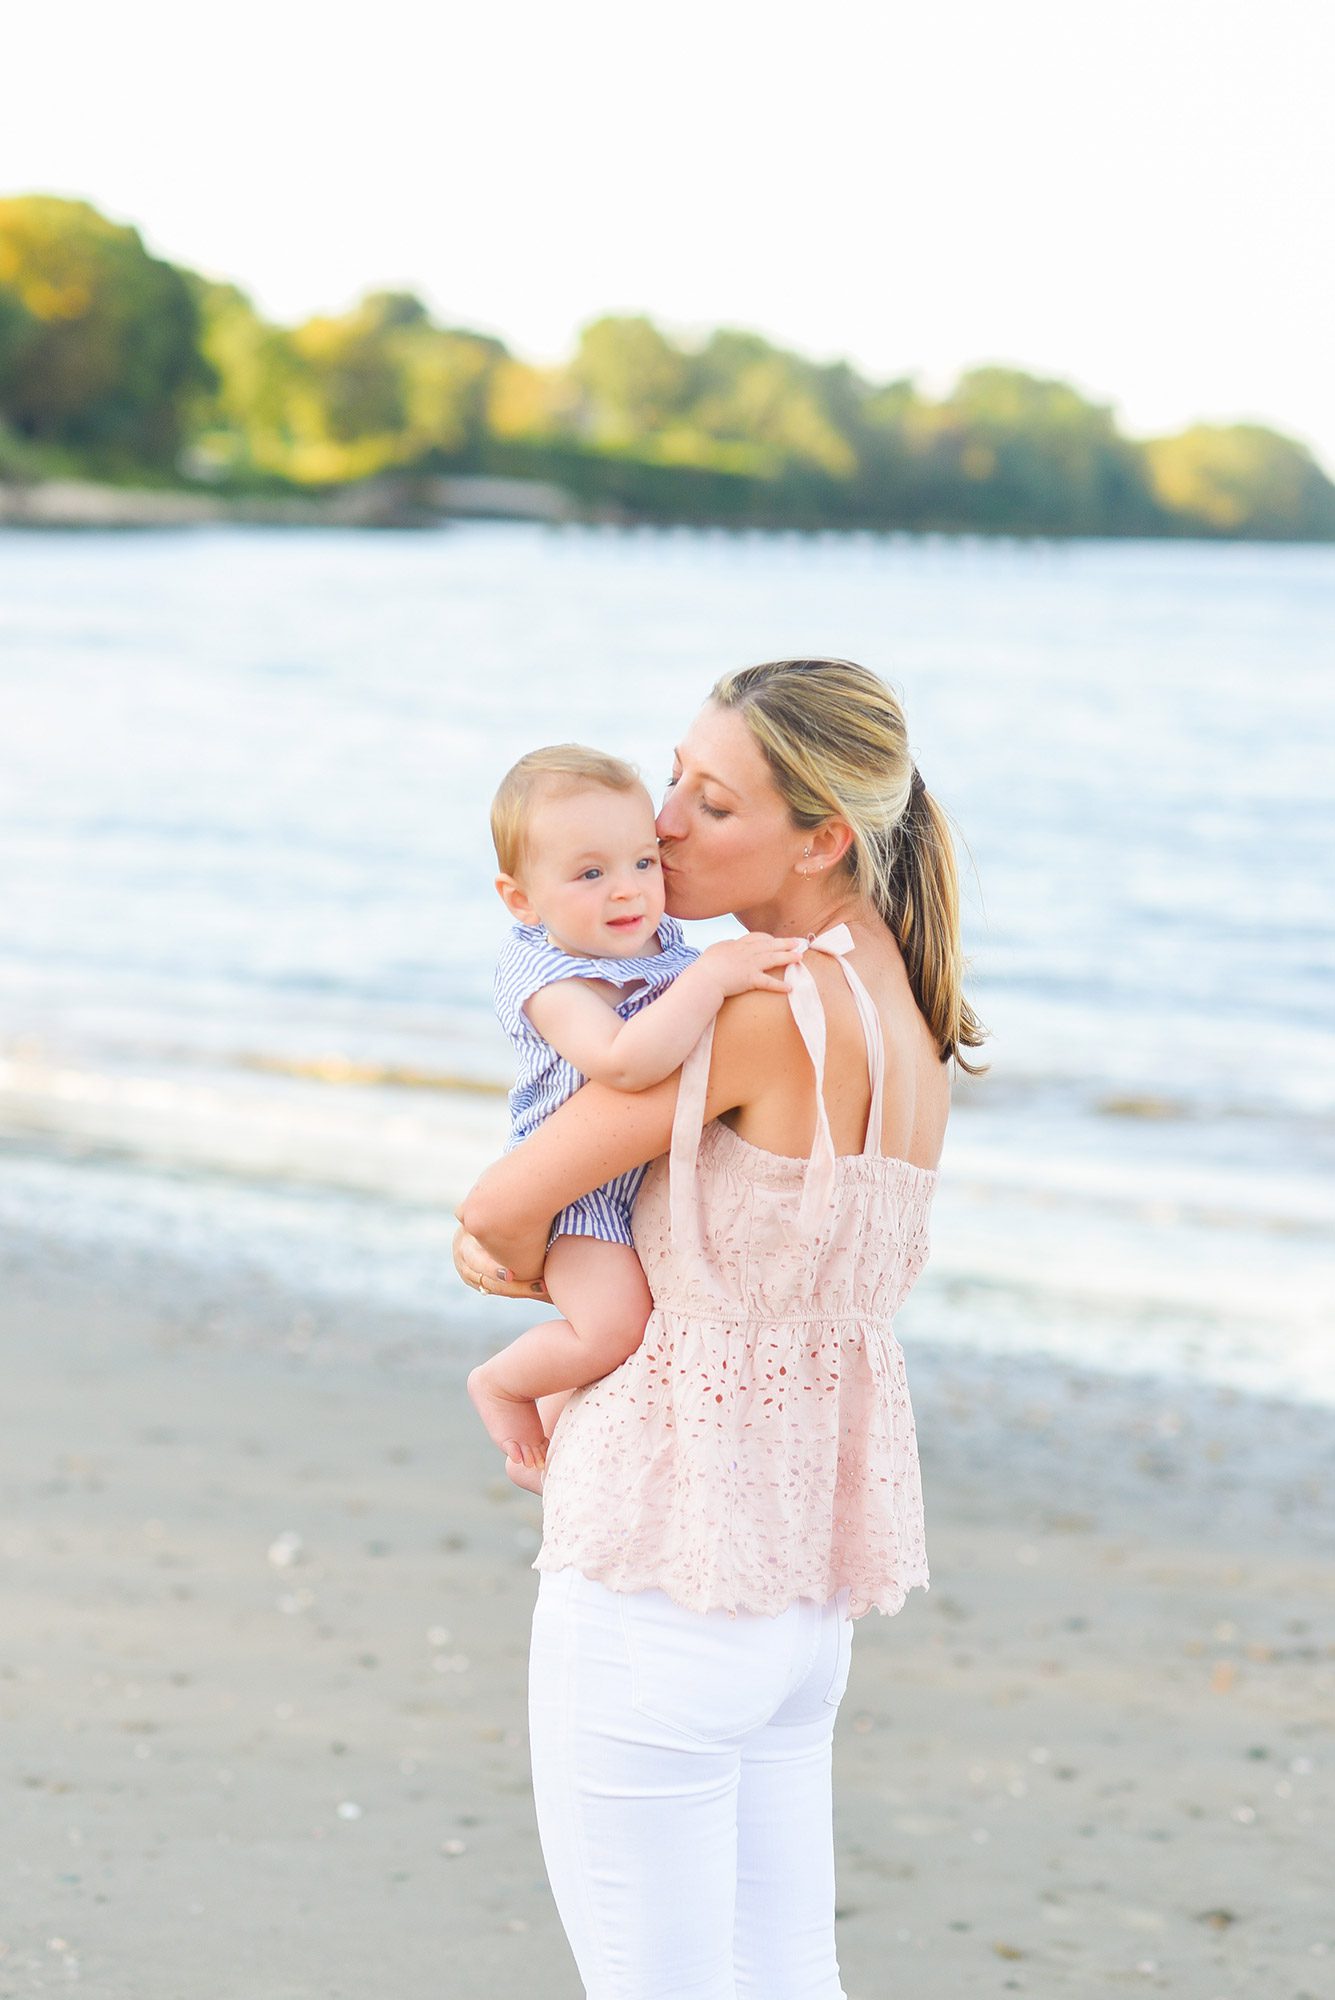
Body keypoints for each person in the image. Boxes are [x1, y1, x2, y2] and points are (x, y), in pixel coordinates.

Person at [455, 659, 989, 2000]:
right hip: (797, 1594)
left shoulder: (752, 1012)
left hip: (663, 1558)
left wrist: (552, 1290)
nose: (666, 825)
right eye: (673, 780)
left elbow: (496, 1210)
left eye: (710, 798)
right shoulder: (908, 1009)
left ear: (820, 836)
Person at [468, 743, 803, 1475]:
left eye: (643, 862)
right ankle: (499, 1384)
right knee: (612, 1328)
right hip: (578, 1192)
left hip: (631, 1183)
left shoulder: (649, 942)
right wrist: (714, 975)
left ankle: (557, 1431)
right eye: (590, 874)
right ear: (521, 899)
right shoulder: (550, 977)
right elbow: (625, 1063)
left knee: (632, 1326)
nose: (627, 892)